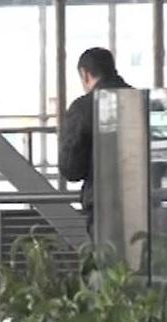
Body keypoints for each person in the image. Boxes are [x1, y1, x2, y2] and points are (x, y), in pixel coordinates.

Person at [59, 47, 132, 234]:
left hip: (101, 203)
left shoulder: (83, 108)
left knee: (107, 252)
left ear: (85, 74)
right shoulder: (141, 101)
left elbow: (71, 169)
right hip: (144, 200)